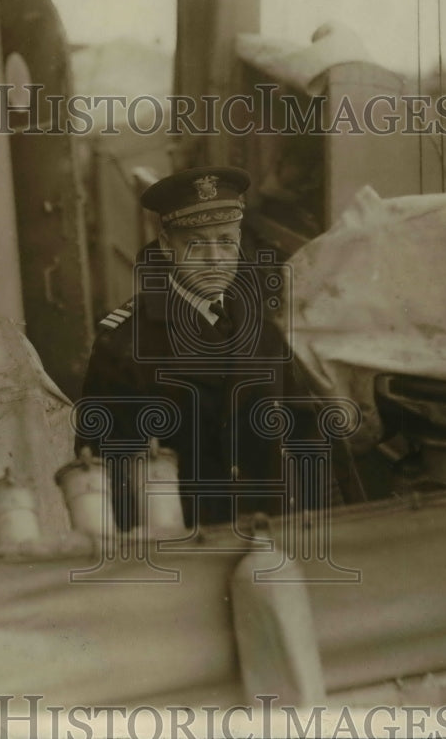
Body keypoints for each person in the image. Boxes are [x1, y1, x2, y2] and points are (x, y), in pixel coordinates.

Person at [76, 166, 341, 531]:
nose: (215, 258)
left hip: (274, 536)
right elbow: (108, 482)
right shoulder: (123, 345)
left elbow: (308, 438)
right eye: (197, 244)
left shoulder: (262, 328)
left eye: (226, 241)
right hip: (186, 548)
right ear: (167, 245)